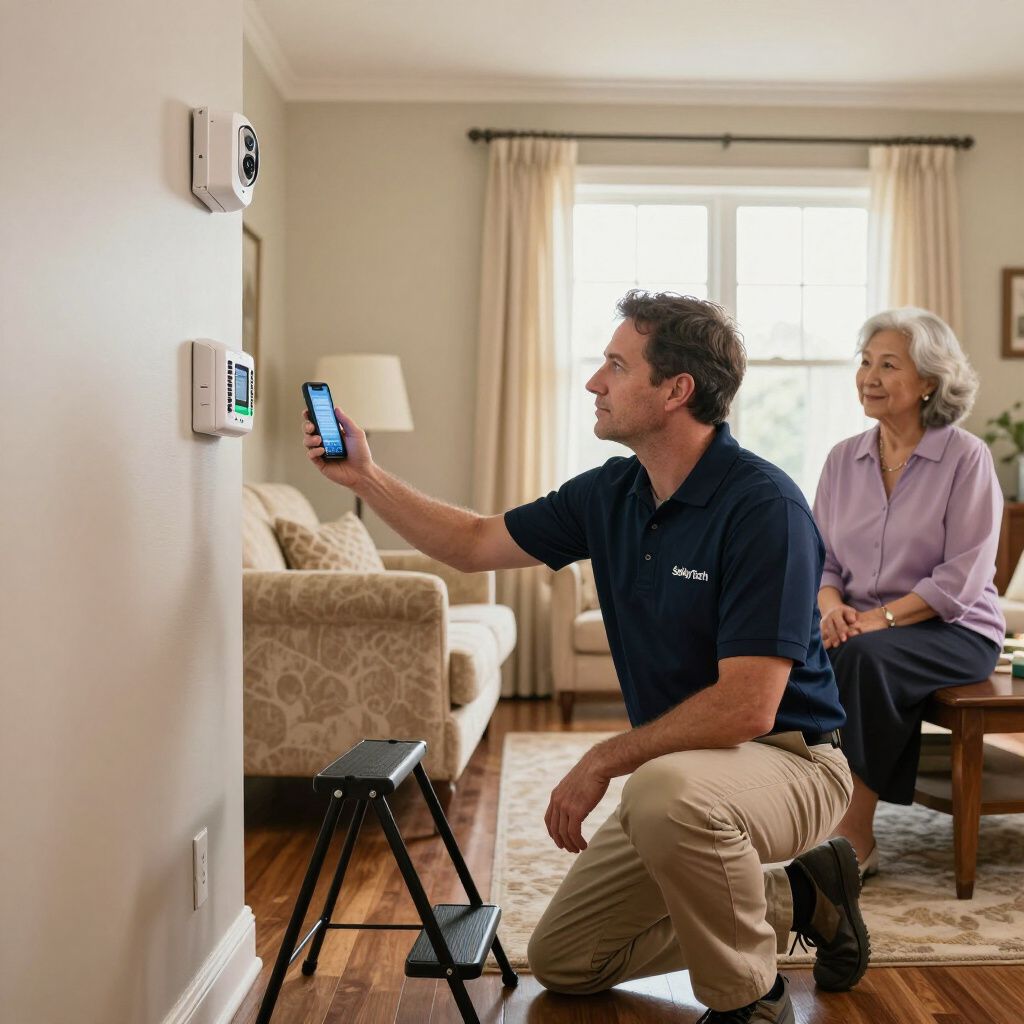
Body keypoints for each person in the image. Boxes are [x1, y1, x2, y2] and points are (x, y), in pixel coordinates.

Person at [302, 291, 869, 1024]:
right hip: (684, 777)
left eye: (614, 365)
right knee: (570, 960)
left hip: (792, 760)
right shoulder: (612, 493)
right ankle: (803, 894)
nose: (594, 383)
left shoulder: (765, 508)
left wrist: (605, 757)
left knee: (664, 793)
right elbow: (475, 543)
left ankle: (749, 1000)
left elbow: (748, 706)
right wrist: (366, 478)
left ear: (675, 390)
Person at [813, 308, 1005, 879]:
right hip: (861, 626)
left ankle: (853, 835)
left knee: (864, 658)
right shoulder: (843, 459)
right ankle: (799, 810)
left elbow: (964, 578)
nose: (869, 375)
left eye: (888, 364)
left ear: (928, 381)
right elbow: (820, 559)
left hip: (955, 630)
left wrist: (876, 621)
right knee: (786, 651)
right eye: (865, 362)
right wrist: (831, 609)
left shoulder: (966, 458)